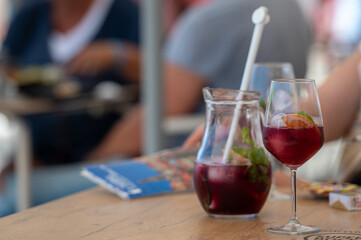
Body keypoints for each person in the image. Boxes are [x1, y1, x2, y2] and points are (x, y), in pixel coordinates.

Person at [87, 0, 312, 160]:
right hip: (270, 163)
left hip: (204, 166)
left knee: (57, 185)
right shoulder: (292, 8)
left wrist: (95, 158)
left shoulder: (207, 22)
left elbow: (151, 119)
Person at [0, 0, 140, 216]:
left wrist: (117, 55)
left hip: (106, 162)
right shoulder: (31, 14)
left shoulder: (126, 14)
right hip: (34, 158)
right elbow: (7, 69)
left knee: (13, 198)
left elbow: (163, 81)